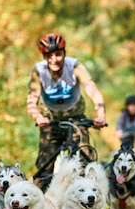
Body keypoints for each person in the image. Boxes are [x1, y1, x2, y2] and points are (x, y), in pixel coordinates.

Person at [27, 32, 107, 189]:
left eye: (58, 54)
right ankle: (43, 204)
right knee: (45, 167)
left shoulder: (74, 66)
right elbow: (31, 100)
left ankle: (89, 201)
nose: (54, 59)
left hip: (76, 118)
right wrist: (38, 117)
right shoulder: (38, 71)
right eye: (49, 55)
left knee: (87, 161)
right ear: (44, 56)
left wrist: (101, 114)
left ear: (64, 53)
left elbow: (92, 89)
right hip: (50, 121)